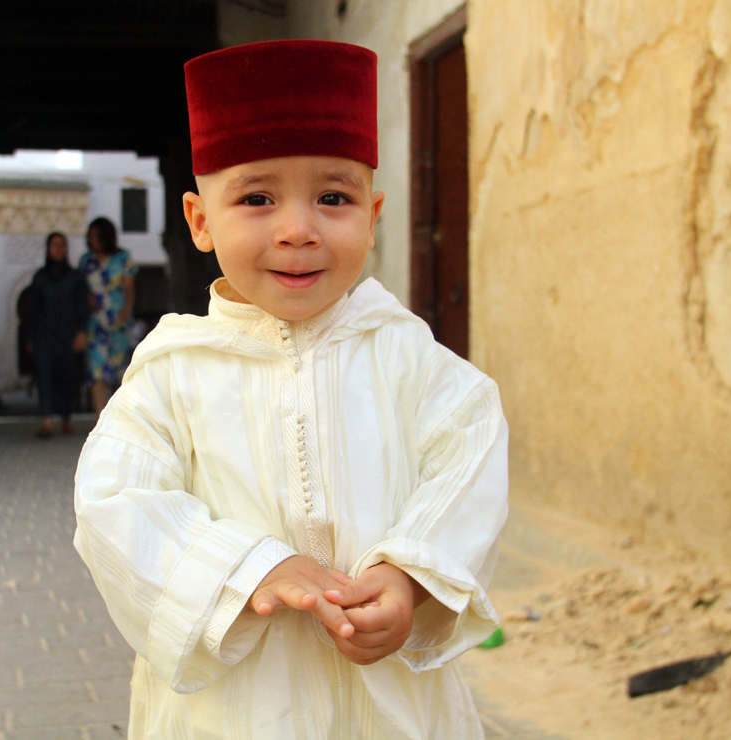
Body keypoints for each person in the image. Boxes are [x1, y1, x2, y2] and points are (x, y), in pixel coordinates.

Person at [73, 40, 509, 739]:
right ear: (200, 219)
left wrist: (409, 577)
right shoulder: (173, 371)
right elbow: (113, 500)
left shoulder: (404, 354)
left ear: (373, 214)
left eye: (333, 197)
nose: (298, 229)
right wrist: (252, 569)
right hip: (234, 708)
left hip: (389, 702)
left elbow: (471, 448)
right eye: (257, 197)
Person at [27, 232, 89, 438]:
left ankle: (66, 418)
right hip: (44, 335)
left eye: (62, 245)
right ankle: (46, 421)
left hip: (68, 335)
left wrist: (81, 332)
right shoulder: (39, 278)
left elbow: (82, 306)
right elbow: (32, 310)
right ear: (48, 248)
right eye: (54, 245)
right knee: (45, 376)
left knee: (68, 376)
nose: (58, 249)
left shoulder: (76, 277)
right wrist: (30, 337)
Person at [78, 215, 138, 414]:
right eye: (91, 236)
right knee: (97, 371)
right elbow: (79, 289)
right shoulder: (86, 261)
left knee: (121, 372)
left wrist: (126, 311)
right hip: (95, 323)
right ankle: (99, 421)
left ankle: (120, 421)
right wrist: (87, 298)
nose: (93, 240)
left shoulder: (123, 258)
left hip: (119, 321)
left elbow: (129, 289)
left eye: (97, 236)